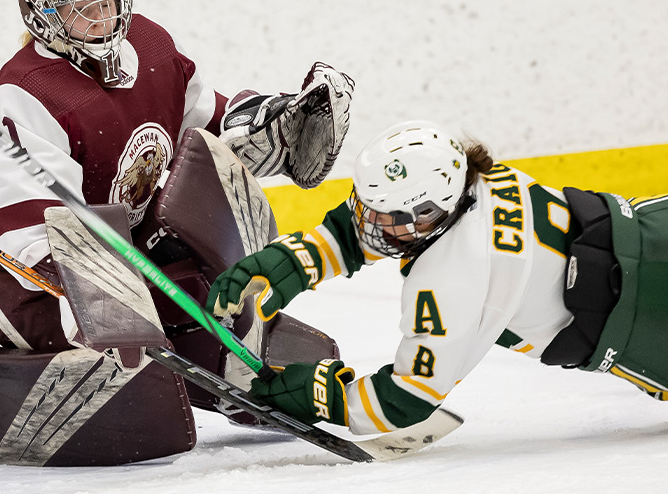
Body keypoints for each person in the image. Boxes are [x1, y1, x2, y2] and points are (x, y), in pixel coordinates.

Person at [0, 0, 354, 353]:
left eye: (107, 4)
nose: (101, 20)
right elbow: (28, 235)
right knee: (124, 362)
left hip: (118, 243)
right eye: (81, 11)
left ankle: (225, 361)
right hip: (15, 276)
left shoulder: (150, 47)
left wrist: (266, 126)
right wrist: (105, 284)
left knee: (199, 315)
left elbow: (203, 131)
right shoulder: (26, 92)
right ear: (44, 18)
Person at [207, 119, 668, 435]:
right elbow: (370, 231)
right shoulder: (471, 180)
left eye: (382, 215)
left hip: (648, 325)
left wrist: (325, 395)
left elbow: (405, 400)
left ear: (429, 213)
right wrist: (292, 261)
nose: (367, 222)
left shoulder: (451, 277)